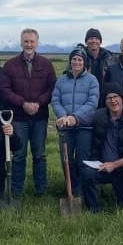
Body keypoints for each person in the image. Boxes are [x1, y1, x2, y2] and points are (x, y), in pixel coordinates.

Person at [0, 28, 57, 197]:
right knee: (19, 155)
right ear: (21, 43)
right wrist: (23, 103)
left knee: (39, 155)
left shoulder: (46, 64)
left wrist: (39, 103)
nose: (29, 44)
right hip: (19, 118)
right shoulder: (10, 65)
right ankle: (16, 191)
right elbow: (4, 89)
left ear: (37, 43)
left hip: (40, 117)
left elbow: (52, 88)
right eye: (26, 41)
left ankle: (41, 190)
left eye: (32, 41)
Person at [80, 83, 123, 213]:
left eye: (116, 97)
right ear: (105, 101)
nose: (113, 100)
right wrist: (71, 119)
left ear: (122, 99)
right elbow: (83, 119)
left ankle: (122, 193)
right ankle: (93, 209)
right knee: (87, 173)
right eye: (109, 98)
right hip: (102, 167)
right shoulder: (99, 115)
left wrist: (114, 165)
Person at [51, 46, 100, 194]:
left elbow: (92, 103)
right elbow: (55, 100)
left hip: (84, 127)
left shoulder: (92, 80)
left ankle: (83, 189)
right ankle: (71, 188)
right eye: (74, 59)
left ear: (84, 62)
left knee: (82, 159)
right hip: (65, 126)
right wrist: (63, 115)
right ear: (70, 61)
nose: (76, 62)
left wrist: (74, 117)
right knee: (66, 159)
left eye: (80, 59)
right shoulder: (61, 80)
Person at [83, 28, 114, 103]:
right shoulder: (79, 58)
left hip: (105, 99)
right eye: (91, 38)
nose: (94, 41)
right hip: (85, 99)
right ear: (86, 41)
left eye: (96, 38)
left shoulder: (109, 58)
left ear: (100, 42)